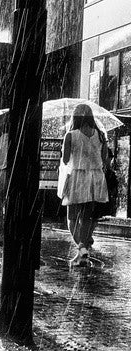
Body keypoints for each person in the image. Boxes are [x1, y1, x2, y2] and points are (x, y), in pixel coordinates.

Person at [58, 102, 109, 264]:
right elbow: (105, 161)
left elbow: (66, 160)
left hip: (77, 177)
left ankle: (82, 249)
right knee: (87, 217)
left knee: (72, 217)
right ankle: (82, 251)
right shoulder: (101, 135)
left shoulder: (70, 135)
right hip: (96, 178)